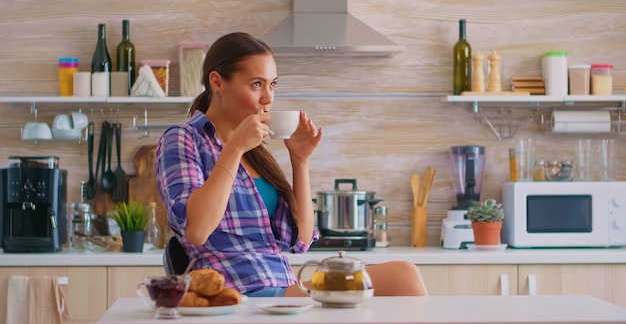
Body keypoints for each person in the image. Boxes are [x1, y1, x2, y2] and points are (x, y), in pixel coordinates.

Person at [155, 32, 428, 297]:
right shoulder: (182, 139)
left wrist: (300, 160)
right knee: (402, 276)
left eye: (272, 84)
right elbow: (198, 230)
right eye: (256, 84)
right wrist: (234, 148)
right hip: (237, 296)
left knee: (403, 277)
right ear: (218, 82)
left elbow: (301, 241)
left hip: (281, 288)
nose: (268, 97)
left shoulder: (254, 150)